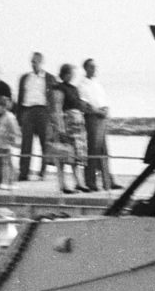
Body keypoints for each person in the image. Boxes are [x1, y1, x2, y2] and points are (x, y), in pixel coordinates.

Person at [46, 63, 88, 194]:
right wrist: (60, 128)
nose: (73, 75)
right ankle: (64, 185)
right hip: (66, 124)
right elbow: (57, 108)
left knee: (76, 156)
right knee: (63, 155)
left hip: (76, 126)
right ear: (65, 74)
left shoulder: (73, 88)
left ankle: (79, 183)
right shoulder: (58, 88)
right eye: (71, 72)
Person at [77, 58, 114, 190]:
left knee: (104, 151)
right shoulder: (82, 85)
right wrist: (98, 111)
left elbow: (103, 100)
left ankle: (108, 181)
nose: (94, 69)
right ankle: (90, 181)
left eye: (95, 67)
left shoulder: (97, 83)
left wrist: (105, 110)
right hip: (92, 118)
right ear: (86, 68)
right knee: (93, 150)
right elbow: (84, 105)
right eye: (92, 67)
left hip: (101, 118)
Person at [17, 52, 51, 181]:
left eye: (36, 61)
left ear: (41, 62)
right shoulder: (25, 77)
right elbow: (20, 97)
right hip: (27, 111)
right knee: (26, 144)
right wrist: (19, 117)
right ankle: (23, 172)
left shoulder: (49, 78)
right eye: (32, 61)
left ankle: (42, 172)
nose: (33, 64)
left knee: (44, 144)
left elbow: (52, 99)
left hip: (42, 111)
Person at [0, 95, 20, 190]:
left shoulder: (10, 117)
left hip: (9, 145)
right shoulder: (2, 117)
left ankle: (12, 182)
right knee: (3, 164)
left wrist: (13, 142)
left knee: (11, 164)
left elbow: (15, 131)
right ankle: (4, 181)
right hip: (1, 144)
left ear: (3, 106)